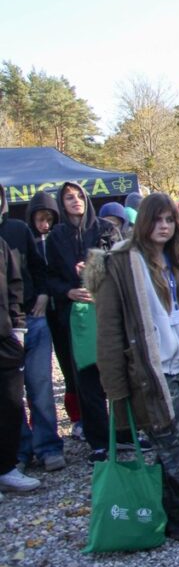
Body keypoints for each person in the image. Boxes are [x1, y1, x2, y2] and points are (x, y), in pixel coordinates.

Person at [87, 193, 179, 541]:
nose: (163, 227)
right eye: (157, 220)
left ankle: (175, 519)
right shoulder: (119, 264)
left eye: (169, 220)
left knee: (173, 451)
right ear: (143, 222)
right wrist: (116, 391)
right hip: (152, 374)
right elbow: (108, 330)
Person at [45, 182, 123, 462]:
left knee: (116, 374)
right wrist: (67, 290)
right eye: (68, 197)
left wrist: (96, 269)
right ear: (62, 203)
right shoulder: (57, 236)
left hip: (108, 311)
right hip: (77, 316)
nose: (75, 200)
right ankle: (99, 441)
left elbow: (122, 266)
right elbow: (49, 276)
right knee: (86, 379)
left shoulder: (105, 228)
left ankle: (124, 434)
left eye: (79, 195)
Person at [1, 186, 64, 472]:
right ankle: (20, 451)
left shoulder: (16, 229)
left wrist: (43, 293)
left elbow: (39, 267)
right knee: (10, 395)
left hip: (32, 319)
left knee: (40, 386)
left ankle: (48, 447)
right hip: (4, 328)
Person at [27, 191, 79, 439]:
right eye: (40, 219)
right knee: (41, 377)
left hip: (64, 311)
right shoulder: (28, 242)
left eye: (48, 219)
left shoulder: (60, 240)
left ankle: (77, 417)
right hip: (38, 314)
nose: (44, 225)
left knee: (72, 366)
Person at [0, 232, 40, 497]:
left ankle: (6, 468)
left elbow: (15, 285)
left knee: (12, 404)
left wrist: (18, 327)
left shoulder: (1, 244)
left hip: (4, 338)